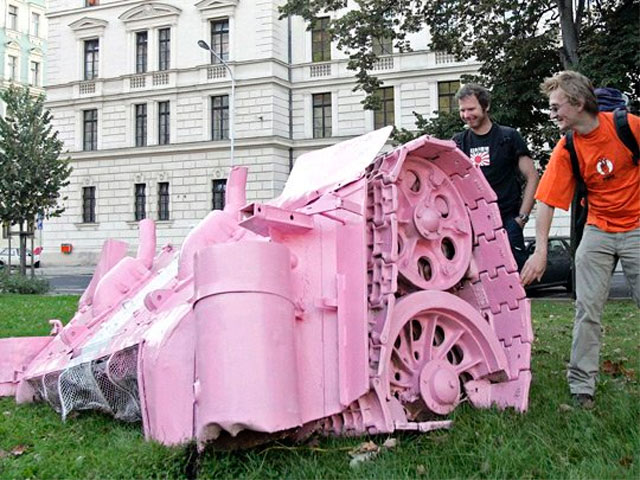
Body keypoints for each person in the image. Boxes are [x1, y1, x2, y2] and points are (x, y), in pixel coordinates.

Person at [521, 71, 640, 409]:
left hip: (636, 226)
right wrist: (540, 251)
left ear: (577, 103)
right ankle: (581, 388)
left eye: (556, 107)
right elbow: (547, 202)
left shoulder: (628, 127)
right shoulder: (568, 146)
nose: (553, 114)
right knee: (587, 309)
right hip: (598, 229)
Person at [453, 84, 539, 270]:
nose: (466, 115)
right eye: (462, 110)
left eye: (471, 109)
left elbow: (532, 176)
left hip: (507, 221)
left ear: (486, 106)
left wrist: (521, 219)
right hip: (473, 224)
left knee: (515, 278)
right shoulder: (458, 142)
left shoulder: (509, 137)